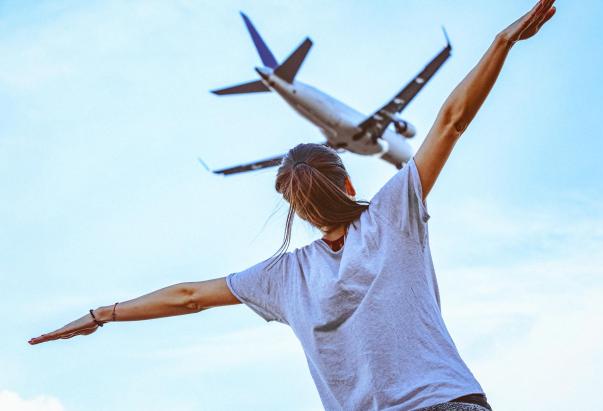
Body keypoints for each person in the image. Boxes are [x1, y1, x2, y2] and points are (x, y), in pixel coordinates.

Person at [29, 1, 556, 410]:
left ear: (298, 210)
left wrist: (103, 315)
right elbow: (450, 122)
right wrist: (501, 43)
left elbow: (189, 296)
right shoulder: (394, 213)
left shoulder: (284, 277)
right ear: (348, 184)